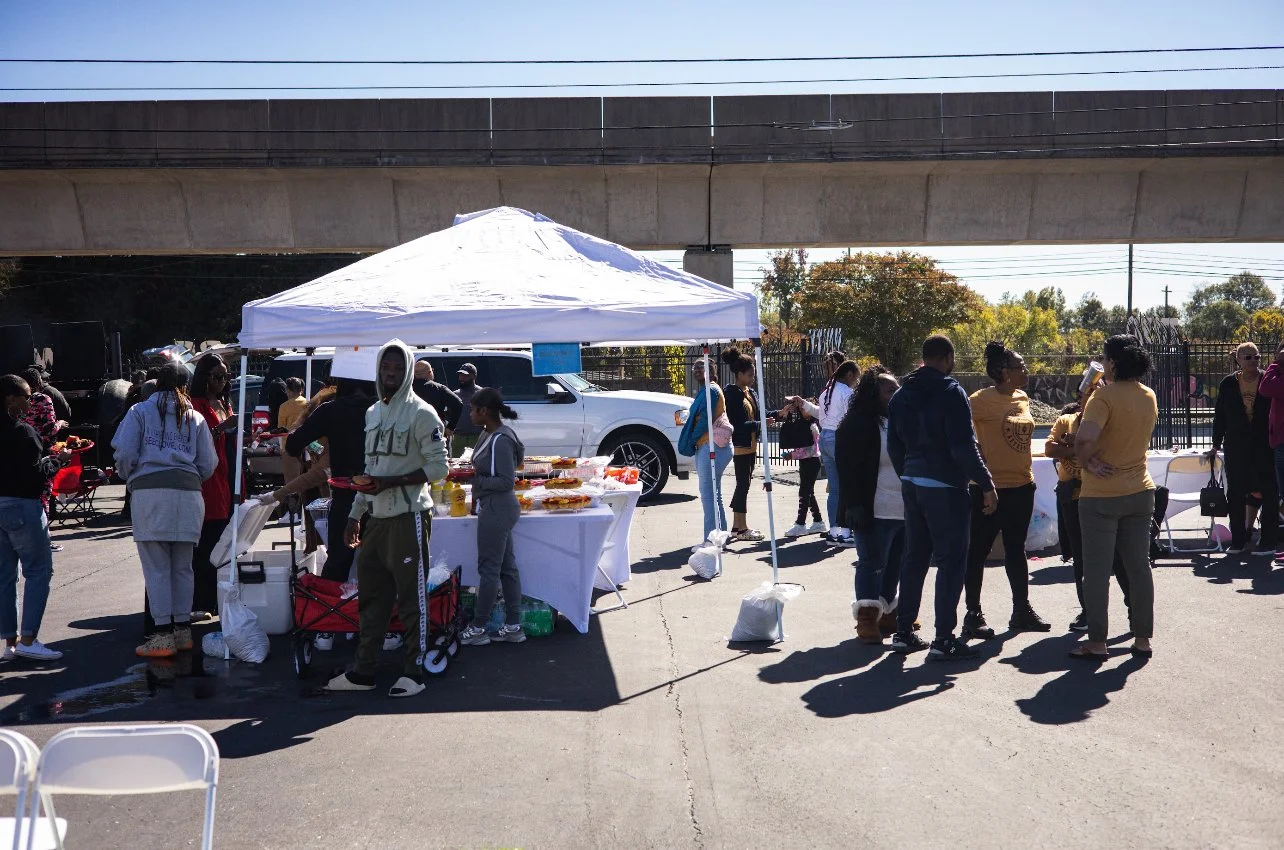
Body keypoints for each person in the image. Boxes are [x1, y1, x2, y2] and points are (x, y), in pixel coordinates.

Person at [327, 340, 449, 699]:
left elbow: (439, 468)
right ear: (378, 370)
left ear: (408, 370)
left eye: (397, 367)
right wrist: (354, 515)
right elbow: (371, 471)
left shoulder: (423, 413)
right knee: (372, 599)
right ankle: (364, 672)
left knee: (411, 599)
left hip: (408, 517)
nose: (391, 373)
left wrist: (391, 482)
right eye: (385, 367)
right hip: (375, 520)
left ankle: (414, 672)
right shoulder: (372, 413)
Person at [887, 334, 996, 661]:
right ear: (947, 358)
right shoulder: (952, 392)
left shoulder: (901, 395)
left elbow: (894, 445)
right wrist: (986, 484)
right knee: (951, 561)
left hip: (912, 482)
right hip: (945, 487)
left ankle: (903, 632)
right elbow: (963, 446)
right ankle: (943, 638)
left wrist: (907, 473)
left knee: (915, 557)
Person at [113, 363, 218, 659]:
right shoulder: (195, 417)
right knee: (184, 567)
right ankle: (183, 632)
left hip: (150, 496)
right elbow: (208, 464)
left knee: (157, 568)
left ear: (158, 383)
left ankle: (161, 636)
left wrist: (130, 475)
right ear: (186, 385)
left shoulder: (139, 412)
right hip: (188, 495)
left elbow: (124, 454)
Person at [1072, 334, 1158, 660]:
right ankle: (1142, 638)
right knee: (1138, 568)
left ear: (1114, 363)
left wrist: (1087, 460)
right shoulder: (1148, 395)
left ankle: (1097, 641)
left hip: (1101, 495)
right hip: (1140, 490)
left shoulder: (1103, 398)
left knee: (1096, 571)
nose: (1102, 363)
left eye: (1105, 358)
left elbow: (1084, 437)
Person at [963, 341, 1050, 638]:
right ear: (1002, 371)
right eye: (1019, 366)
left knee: (1016, 550)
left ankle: (1021, 611)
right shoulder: (979, 400)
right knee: (978, 551)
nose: (1025, 371)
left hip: (1022, 486)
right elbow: (962, 435)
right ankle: (973, 615)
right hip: (989, 489)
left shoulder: (1023, 396)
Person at [1045, 394, 1132, 631]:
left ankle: (1134, 610)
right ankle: (1088, 611)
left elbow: (1110, 450)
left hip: (1102, 493)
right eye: (1086, 398)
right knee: (1081, 557)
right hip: (1071, 495)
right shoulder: (1066, 421)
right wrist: (1080, 445)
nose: (1090, 403)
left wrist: (1073, 445)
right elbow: (1050, 449)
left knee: (1117, 556)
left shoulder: (1109, 422)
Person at [0, 374, 70, 662]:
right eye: (26, 397)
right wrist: (57, 461)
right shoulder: (24, 432)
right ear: (10, 399)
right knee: (39, 571)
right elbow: (33, 477)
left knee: (4, 578)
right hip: (23, 507)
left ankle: (10, 643)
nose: (30, 402)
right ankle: (29, 638)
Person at [836, 365, 904, 644]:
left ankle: (888, 614)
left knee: (895, 564)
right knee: (871, 563)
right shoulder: (857, 423)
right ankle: (866, 618)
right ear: (873, 394)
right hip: (872, 508)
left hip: (903, 508)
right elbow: (846, 469)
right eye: (890, 390)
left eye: (897, 389)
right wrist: (853, 505)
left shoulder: (899, 422)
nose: (896, 393)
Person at [459, 388, 527, 646]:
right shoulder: (490, 433)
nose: (470, 413)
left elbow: (506, 481)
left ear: (484, 411)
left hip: (497, 508)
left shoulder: (499, 438)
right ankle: (513, 626)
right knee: (507, 569)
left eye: (473, 409)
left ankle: (478, 628)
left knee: (489, 571)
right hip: (497, 507)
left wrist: (474, 480)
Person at [1210, 342, 1277, 556]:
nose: (1253, 361)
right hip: (1236, 444)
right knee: (1236, 492)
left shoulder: (1267, 379)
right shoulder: (1228, 383)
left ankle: (1268, 541)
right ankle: (1238, 540)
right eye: (1247, 357)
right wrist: (1215, 443)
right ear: (1237, 359)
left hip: (1264, 444)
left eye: (1256, 357)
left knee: (1269, 491)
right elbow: (1220, 415)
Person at [186, 353, 235, 620]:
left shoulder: (224, 402)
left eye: (225, 376)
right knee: (206, 545)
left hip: (226, 478)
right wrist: (222, 429)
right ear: (204, 378)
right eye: (217, 377)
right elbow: (196, 440)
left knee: (222, 543)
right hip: (207, 482)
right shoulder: (196, 405)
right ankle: (201, 600)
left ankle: (215, 598)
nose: (222, 381)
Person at [678, 358, 733, 548]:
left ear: (711, 370)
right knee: (714, 494)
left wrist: (691, 439)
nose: (698, 370)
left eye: (703, 367)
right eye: (695, 367)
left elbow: (704, 422)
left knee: (708, 495)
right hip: (716, 447)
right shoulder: (709, 389)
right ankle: (721, 538)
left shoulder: (710, 390)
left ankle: (710, 541)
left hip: (711, 447)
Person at [721, 347, 764, 543]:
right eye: (749, 374)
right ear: (739, 374)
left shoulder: (749, 392)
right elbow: (737, 424)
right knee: (742, 484)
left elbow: (759, 414)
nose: (753, 377)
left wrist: (778, 413)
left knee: (744, 484)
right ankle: (740, 527)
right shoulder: (731, 394)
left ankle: (738, 527)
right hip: (740, 445)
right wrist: (760, 423)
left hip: (751, 445)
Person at [816, 361, 861, 546]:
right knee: (848, 486)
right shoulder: (847, 393)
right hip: (839, 438)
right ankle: (845, 531)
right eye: (856, 377)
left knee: (834, 488)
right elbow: (851, 419)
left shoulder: (826, 392)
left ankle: (834, 530)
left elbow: (821, 417)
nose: (856, 382)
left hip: (825, 437)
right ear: (849, 374)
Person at [776, 396, 826, 537]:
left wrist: (793, 455)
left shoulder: (812, 427)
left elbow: (812, 450)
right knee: (808, 492)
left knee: (804, 492)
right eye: (802, 407)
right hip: (806, 462)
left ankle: (800, 524)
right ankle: (818, 521)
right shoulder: (801, 424)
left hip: (812, 462)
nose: (803, 409)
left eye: (805, 408)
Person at [1254, 342, 1284, 527]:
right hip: (1280, 440)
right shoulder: (1278, 371)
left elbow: (1275, 388)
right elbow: (1265, 388)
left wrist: (1276, 365)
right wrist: (1278, 365)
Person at [413, 360, 464, 444]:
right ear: (430, 372)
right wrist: (450, 427)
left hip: (411, 433)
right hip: (435, 433)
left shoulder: (406, 389)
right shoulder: (439, 389)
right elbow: (458, 404)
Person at [450, 362, 484, 458]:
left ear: (473, 376)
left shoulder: (482, 394)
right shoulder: (454, 395)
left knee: (477, 464)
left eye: (465, 375)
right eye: (460, 375)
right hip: (458, 438)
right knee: (457, 467)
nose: (461, 378)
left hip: (477, 437)